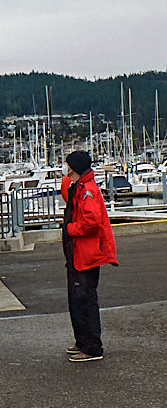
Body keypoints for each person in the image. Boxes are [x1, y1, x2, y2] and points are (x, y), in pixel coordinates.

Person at [61, 150, 117, 362]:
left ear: (75, 168)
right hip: (78, 254)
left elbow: (92, 223)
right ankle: (83, 341)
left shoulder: (88, 191)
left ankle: (92, 346)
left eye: (69, 167)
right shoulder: (81, 187)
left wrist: (71, 229)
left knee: (84, 299)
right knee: (77, 298)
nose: (67, 171)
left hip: (85, 254)